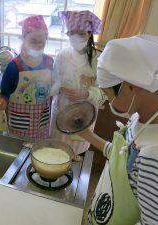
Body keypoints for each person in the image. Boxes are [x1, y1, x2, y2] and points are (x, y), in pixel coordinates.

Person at [79, 35, 158, 225]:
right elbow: (123, 161)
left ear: (131, 86)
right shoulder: (141, 119)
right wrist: (87, 135)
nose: (108, 101)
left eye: (108, 95)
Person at [50, 10, 106, 157]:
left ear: (89, 33)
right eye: (71, 34)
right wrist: (59, 87)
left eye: (80, 34)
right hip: (60, 113)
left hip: (84, 116)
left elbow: (104, 91)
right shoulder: (62, 56)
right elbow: (53, 82)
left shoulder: (99, 59)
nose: (76, 38)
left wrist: (87, 93)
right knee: (57, 152)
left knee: (77, 154)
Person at [0, 15, 53, 139]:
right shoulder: (14, 66)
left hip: (42, 122)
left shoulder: (49, 62)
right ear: (23, 38)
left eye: (42, 42)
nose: (38, 45)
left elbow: (53, 89)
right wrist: (3, 101)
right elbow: (4, 93)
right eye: (33, 41)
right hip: (19, 125)